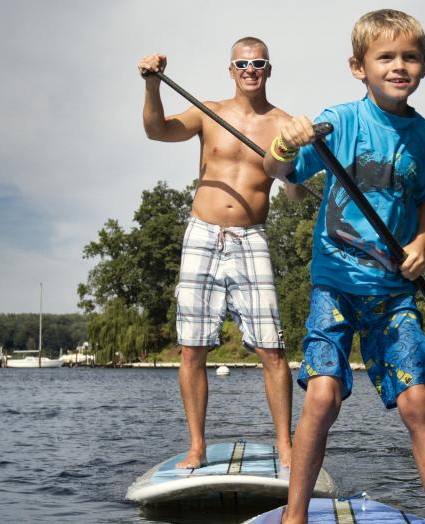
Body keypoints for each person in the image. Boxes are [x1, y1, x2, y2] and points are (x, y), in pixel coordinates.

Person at [263, 9, 425, 523]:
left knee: (417, 402)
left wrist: (423, 240)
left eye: (410, 57)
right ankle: (295, 515)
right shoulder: (341, 121)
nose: (398, 66)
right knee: (322, 397)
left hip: (393, 291)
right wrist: (286, 141)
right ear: (358, 67)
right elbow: (278, 169)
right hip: (336, 285)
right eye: (385, 57)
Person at [138, 37, 302, 469]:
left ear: (269, 69)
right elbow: (156, 130)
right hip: (202, 234)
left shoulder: (285, 125)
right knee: (192, 348)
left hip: (252, 238)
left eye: (258, 63)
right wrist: (153, 84)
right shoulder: (208, 112)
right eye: (242, 64)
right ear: (231, 70)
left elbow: (296, 194)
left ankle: (285, 446)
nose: (250, 70)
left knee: (272, 349)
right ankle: (197, 446)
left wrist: (291, 163)